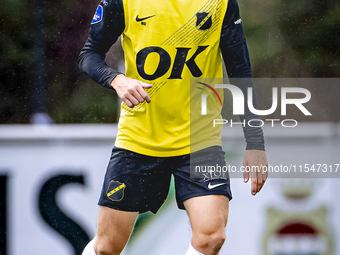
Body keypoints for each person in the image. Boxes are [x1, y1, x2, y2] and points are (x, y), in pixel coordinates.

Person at [78, 0, 268, 254]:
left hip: (200, 142)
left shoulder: (220, 2)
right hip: (139, 140)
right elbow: (89, 55)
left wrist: (255, 142)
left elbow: (240, 70)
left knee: (211, 237)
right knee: (106, 247)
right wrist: (116, 79)